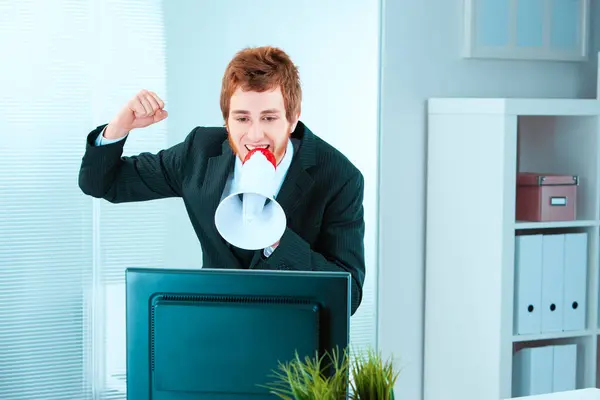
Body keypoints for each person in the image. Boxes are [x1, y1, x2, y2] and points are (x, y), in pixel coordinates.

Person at [78, 46, 366, 315]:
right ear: (226, 120)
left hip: (294, 346)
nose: (255, 136)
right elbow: (102, 183)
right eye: (242, 119)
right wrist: (120, 125)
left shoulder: (339, 177)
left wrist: (278, 241)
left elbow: (348, 295)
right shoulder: (200, 152)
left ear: (292, 119)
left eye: (269, 118)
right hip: (215, 332)